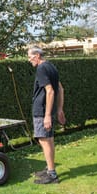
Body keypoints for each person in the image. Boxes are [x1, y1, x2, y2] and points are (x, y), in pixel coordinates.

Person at [27, 46, 66, 184]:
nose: (29, 60)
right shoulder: (51, 67)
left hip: (42, 111)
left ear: (37, 55)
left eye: (30, 56)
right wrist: (59, 109)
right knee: (48, 139)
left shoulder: (41, 68)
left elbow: (50, 91)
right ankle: (50, 168)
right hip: (46, 110)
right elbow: (60, 88)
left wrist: (47, 115)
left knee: (44, 139)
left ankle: (52, 174)